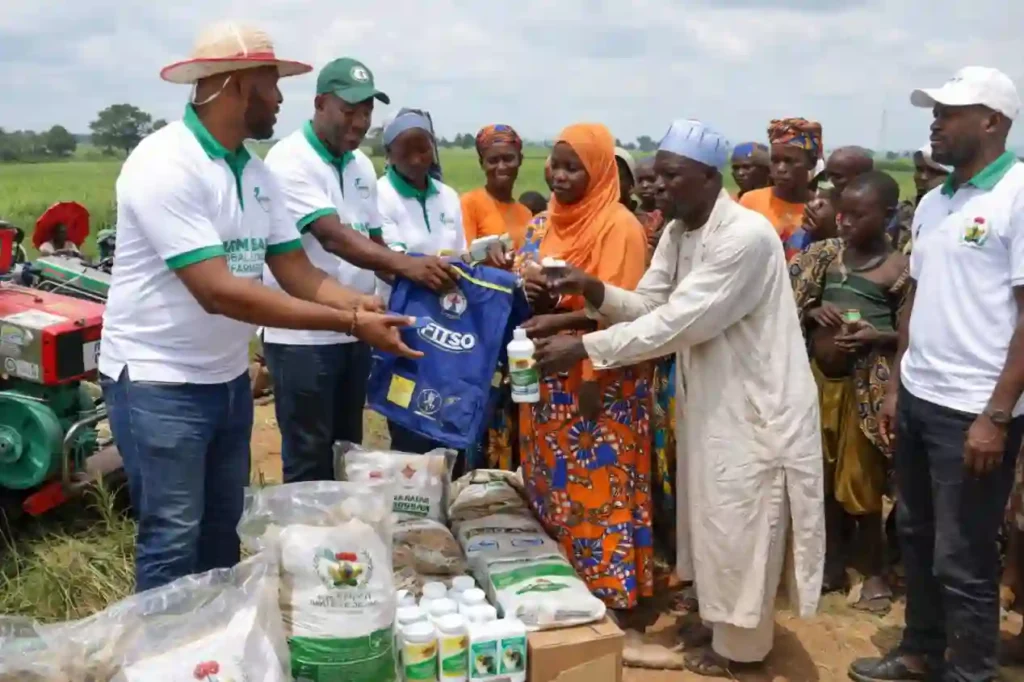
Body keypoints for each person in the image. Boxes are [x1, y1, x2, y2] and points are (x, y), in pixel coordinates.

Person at [99, 23, 417, 592]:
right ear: (236, 86)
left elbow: (296, 269)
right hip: (158, 382)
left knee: (223, 528)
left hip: (225, 380)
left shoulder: (256, 173)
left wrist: (365, 305)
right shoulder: (165, 164)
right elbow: (218, 290)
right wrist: (349, 321)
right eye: (272, 85)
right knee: (173, 534)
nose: (279, 99)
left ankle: (214, 655)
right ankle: (161, 657)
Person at [535, 119, 824, 677]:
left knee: (743, 523)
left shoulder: (744, 236)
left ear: (707, 178)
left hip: (756, 406)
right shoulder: (678, 231)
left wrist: (585, 347)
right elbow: (648, 304)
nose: (656, 187)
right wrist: (594, 289)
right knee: (712, 519)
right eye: (656, 175)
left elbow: (679, 322)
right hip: (711, 400)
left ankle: (741, 651)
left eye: (671, 176)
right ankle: (719, 619)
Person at [850, 66, 1024, 682]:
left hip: (974, 412)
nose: (935, 121)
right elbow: (914, 302)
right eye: (936, 110)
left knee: (966, 555)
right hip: (921, 398)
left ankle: (970, 671)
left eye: (950, 111)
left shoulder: (1018, 195)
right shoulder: (933, 200)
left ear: (992, 121)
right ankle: (921, 650)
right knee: (918, 536)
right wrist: (899, 386)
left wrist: (996, 415)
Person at [260, 58, 458, 483]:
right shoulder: (289, 160)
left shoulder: (361, 166)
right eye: (349, 111)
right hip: (303, 336)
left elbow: (374, 247)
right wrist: (410, 266)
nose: (359, 122)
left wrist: (435, 289)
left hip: (358, 327)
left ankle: (339, 544)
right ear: (320, 104)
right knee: (310, 454)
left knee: (346, 449)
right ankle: (304, 543)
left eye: (366, 112)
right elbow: (332, 236)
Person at [510, 123, 652, 611]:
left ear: (600, 171)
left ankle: (607, 595)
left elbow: (622, 310)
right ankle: (558, 594)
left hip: (602, 386)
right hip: (544, 380)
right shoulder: (540, 222)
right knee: (552, 489)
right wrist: (526, 292)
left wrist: (590, 373)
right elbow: (523, 279)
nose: (560, 176)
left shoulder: (620, 227)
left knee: (599, 491)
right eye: (556, 164)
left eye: (574, 167)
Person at [790, 171, 909, 613]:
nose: (845, 222)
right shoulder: (825, 258)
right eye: (843, 213)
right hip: (821, 384)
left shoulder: (899, 270)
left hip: (866, 393)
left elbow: (911, 334)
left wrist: (875, 337)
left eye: (859, 216)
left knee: (860, 484)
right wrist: (814, 310)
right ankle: (832, 565)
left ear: (888, 217)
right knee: (819, 477)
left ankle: (875, 572)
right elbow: (787, 303)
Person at [378, 108, 467, 453]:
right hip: (402, 323)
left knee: (443, 411)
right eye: (406, 151)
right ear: (388, 154)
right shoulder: (379, 195)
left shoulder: (447, 197)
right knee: (406, 413)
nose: (417, 159)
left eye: (424, 149)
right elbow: (388, 261)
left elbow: (457, 256)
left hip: (446, 325)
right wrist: (428, 268)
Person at [741, 118, 823, 260]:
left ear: (811, 162)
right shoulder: (750, 202)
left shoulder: (820, 209)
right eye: (775, 160)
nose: (780, 169)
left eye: (789, 161)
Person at [461, 124, 534, 249]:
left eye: (508, 159)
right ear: (482, 163)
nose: (501, 167)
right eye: (493, 160)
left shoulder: (525, 214)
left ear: (520, 160)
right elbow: (465, 258)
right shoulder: (469, 204)